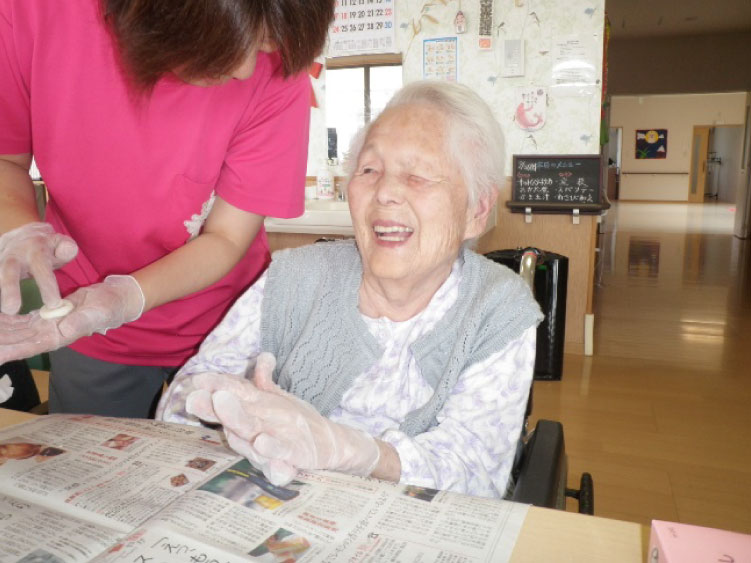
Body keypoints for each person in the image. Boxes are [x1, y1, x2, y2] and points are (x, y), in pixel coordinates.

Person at [157, 81, 543, 498]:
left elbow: (476, 474)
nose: (385, 192)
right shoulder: (296, 278)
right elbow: (182, 399)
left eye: (418, 175)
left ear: (478, 210)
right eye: (369, 170)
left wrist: (357, 452)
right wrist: (222, 407)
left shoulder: (498, 309)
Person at [0, 0, 335, 417]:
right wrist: (19, 230)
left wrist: (127, 296)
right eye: (237, 42)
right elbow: (6, 159)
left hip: (227, 329)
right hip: (86, 322)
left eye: (265, 45)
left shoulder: (281, 64)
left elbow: (227, 236)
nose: (247, 71)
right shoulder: (36, 12)